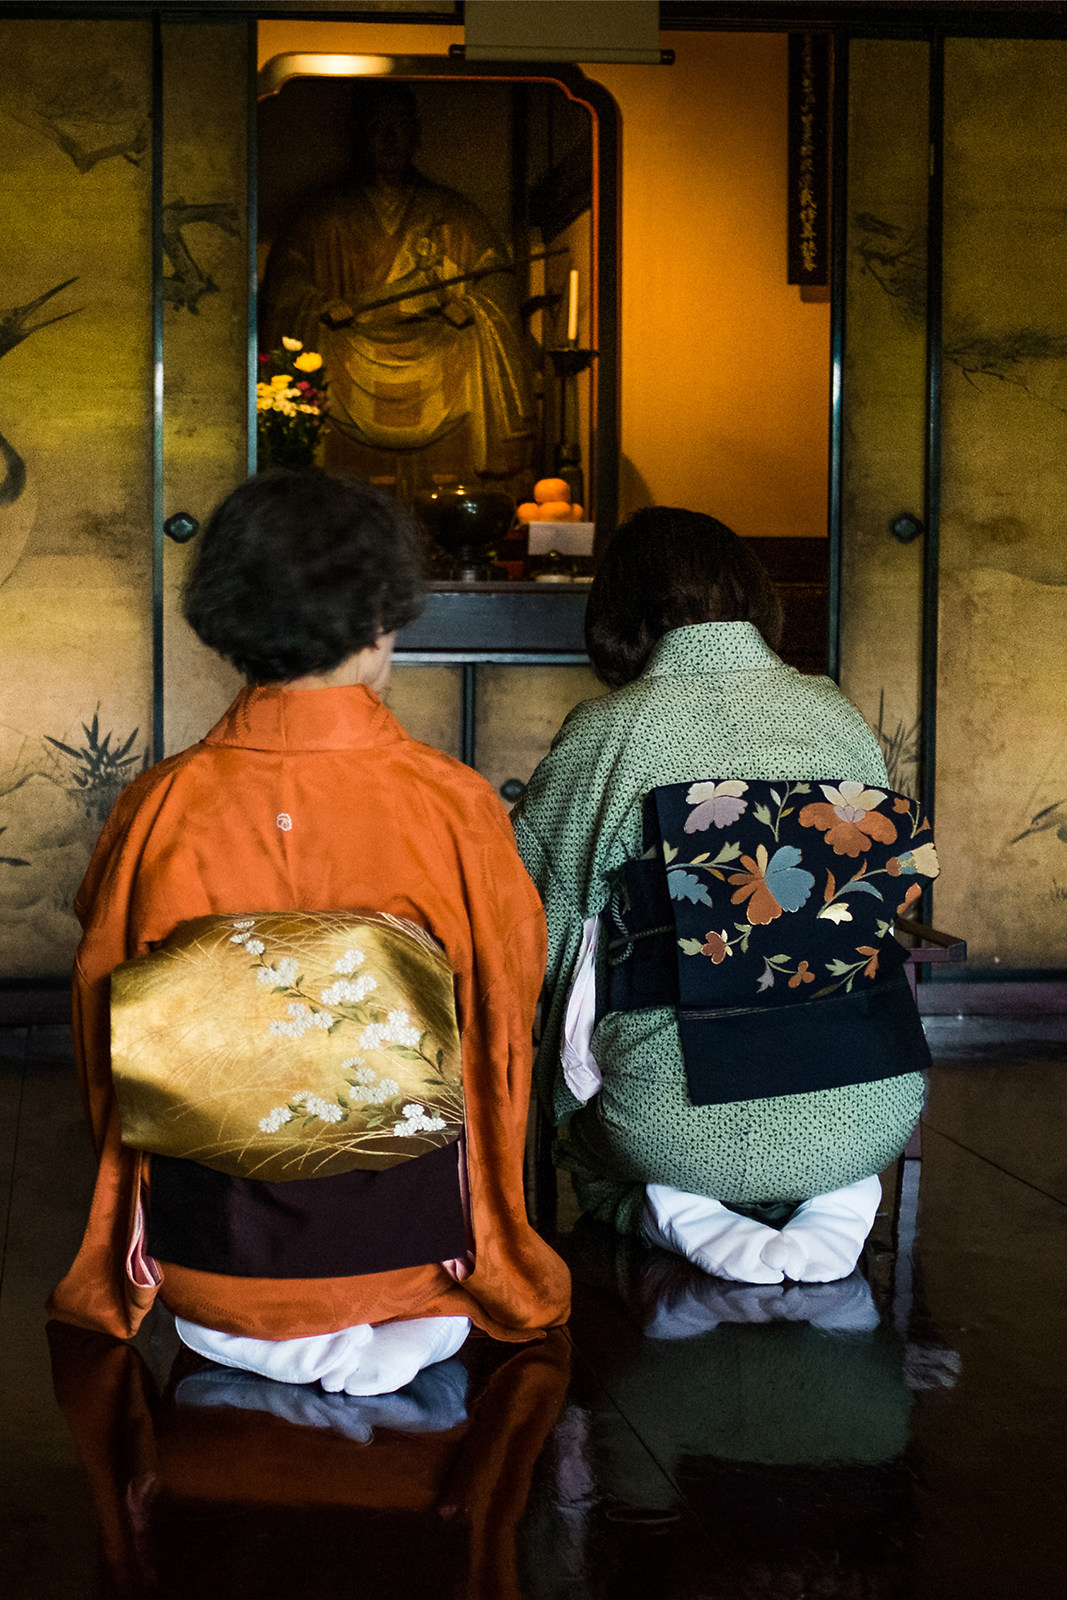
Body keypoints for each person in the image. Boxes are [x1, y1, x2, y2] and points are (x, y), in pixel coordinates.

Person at [48, 468, 568, 1395]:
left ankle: (267, 1325)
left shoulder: (160, 807)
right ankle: (381, 1316)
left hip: (215, 1259)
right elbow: (501, 1021)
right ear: (381, 623)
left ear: (230, 619)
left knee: (221, 1321)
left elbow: (105, 1028)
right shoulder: (451, 805)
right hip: (415, 1248)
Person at [512, 507, 927, 1284]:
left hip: (673, 1120)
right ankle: (836, 1195)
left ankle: (674, 1206)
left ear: (620, 614)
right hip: (873, 1099)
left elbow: (533, 915)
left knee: (595, 1142)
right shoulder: (836, 714)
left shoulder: (611, 729)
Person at [261, 81, 536, 496]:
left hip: (438, 356)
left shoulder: (453, 215)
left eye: (400, 127)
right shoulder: (321, 217)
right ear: (357, 135)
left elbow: (495, 276)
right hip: (348, 352)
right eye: (377, 127)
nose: (389, 139)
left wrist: (475, 306)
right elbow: (286, 284)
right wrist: (318, 306)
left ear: (417, 135)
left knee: (473, 341)